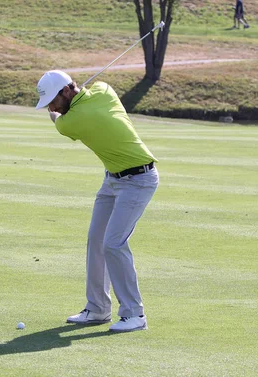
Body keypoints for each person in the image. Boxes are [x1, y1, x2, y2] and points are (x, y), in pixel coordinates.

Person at [35, 70, 159, 333]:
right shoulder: (104, 90)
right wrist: (74, 94)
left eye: (53, 100)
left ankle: (134, 314)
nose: (51, 106)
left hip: (138, 180)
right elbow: (98, 90)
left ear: (67, 91)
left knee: (113, 242)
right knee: (96, 240)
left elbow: (58, 120)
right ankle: (98, 308)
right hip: (112, 179)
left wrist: (57, 111)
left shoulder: (73, 121)